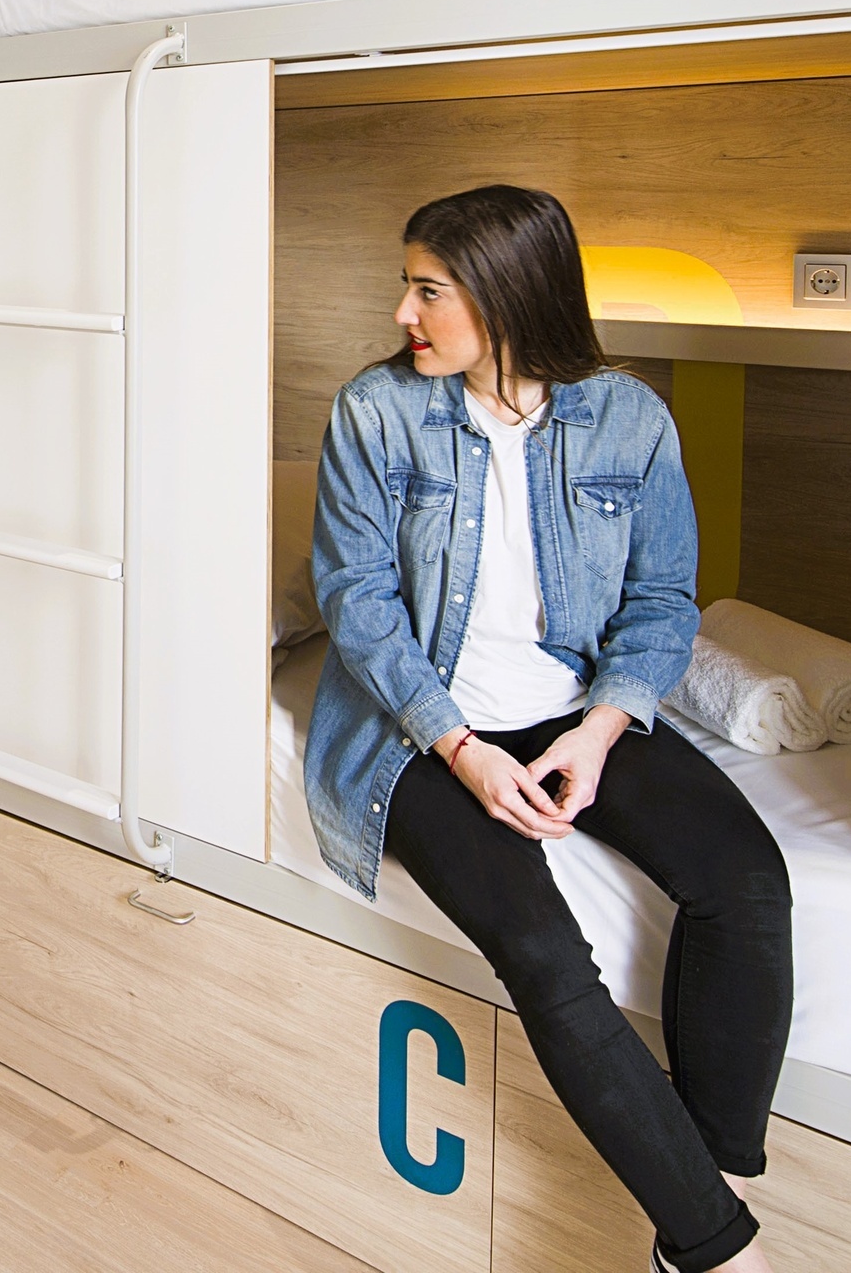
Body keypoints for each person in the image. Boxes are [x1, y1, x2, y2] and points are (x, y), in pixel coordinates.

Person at [302, 184, 793, 1273]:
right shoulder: (375, 413)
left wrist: (604, 726)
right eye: (408, 285)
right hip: (419, 730)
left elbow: (665, 600)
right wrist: (465, 748)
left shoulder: (629, 417)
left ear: (505, 293)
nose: (402, 312)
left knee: (749, 884)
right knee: (543, 949)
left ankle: (704, 1176)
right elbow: (358, 601)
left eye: (427, 289)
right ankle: (718, 1249)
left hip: (576, 707)